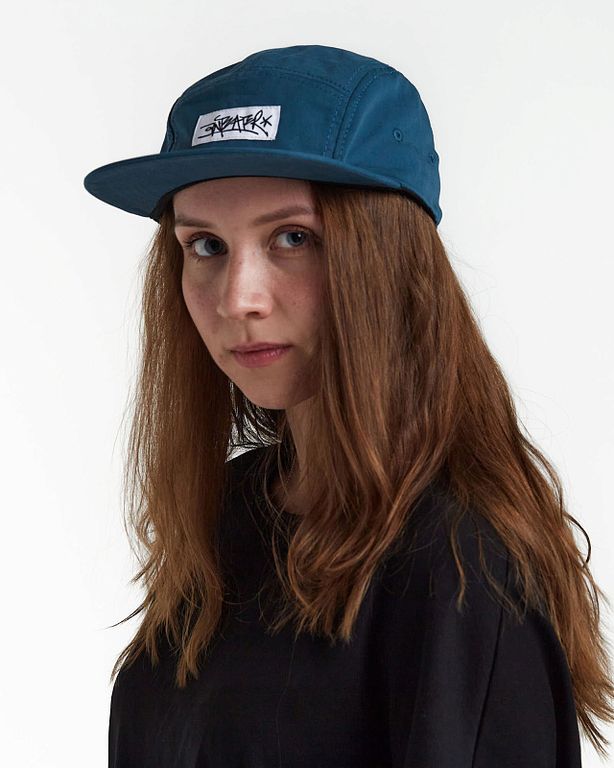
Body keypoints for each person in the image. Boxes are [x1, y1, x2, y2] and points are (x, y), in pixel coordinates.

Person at [83, 44, 613, 767]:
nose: (238, 299)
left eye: (293, 238)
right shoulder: (229, 519)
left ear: (386, 259)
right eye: (205, 245)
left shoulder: (459, 567)